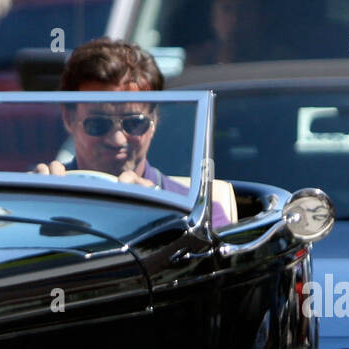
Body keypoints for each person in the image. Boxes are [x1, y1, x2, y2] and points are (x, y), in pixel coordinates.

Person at [34, 38, 230, 228]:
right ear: (69, 118)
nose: (117, 139)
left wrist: (162, 218)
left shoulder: (201, 215)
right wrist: (29, 205)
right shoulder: (39, 198)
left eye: (134, 123)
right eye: (98, 123)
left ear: (154, 120)